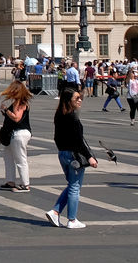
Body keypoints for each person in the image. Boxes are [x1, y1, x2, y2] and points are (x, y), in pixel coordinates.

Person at [46, 86, 97, 229]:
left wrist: (62, 150)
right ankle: (72, 220)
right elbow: (79, 141)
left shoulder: (59, 115)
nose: (80, 100)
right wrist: (90, 157)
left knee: (72, 185)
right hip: (74, 155)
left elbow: (56, 137)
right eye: (77, 98)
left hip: (62, 153)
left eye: (80, 97)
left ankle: (55, 211)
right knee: (75, 187)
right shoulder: (72, 118)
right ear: (69, 101)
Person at [0, 79, 32, 192]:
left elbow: (16, 118)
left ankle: (25, 184)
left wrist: (6, 110)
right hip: (14, 133)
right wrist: (6, 113)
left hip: (19, 133)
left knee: (20, 158)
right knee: (8, 157)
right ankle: (10, 181)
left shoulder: (21, 103)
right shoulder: (18, 102)